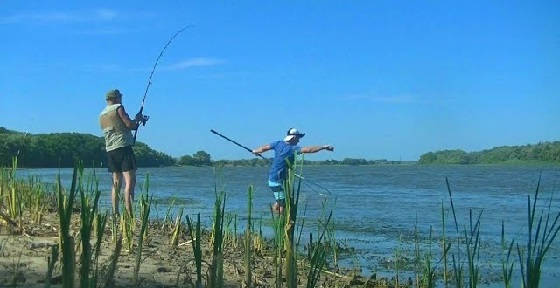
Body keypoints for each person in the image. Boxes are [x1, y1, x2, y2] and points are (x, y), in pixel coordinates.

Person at [252, 128, 334, 213]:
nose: (298, 141)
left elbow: (264, 148)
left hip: (275, 178)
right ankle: (279, 220)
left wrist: (256, 151)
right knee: (283, 204)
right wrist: (323, 147)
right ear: (293, 138)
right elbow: (309, 150)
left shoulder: (277, 143)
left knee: (279, 201)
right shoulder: (293, 149)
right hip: (276, 180)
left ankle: (273, 214)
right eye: (298, 138)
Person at [99, 89, 147, 216]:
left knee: (116, 182)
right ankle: (129, 214)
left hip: (111, 149)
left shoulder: (102, 114)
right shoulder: (118, 108)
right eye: (120, 96)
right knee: (130, 182)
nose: (121, 99)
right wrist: (138, 120)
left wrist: (135, 121)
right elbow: (130, 125)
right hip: (123, 147)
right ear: (116, 98)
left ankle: (115, 213)